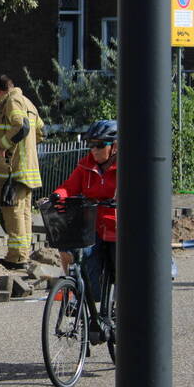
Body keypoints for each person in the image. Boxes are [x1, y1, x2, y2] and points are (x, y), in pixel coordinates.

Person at [51, 119, 118, 302]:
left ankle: (120, 311)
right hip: (93, 226)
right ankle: (81, 298)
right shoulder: (85, 166)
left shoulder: (127, 167)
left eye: (99, 145)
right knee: (83, 261)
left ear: (115, 146)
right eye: (91, 145)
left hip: (117, 228)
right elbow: (69, 186)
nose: (93, 150)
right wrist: (57, 195)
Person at [0, 74, 43, 270]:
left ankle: (16, 257)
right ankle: (22, 254)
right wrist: (27, 149)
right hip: (27, 168)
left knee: (13, 212)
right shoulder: (29, 103)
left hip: (13, 169)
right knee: (24, 213)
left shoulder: (11, 101)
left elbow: (21, 126)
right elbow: (41, 132)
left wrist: (4, 144)